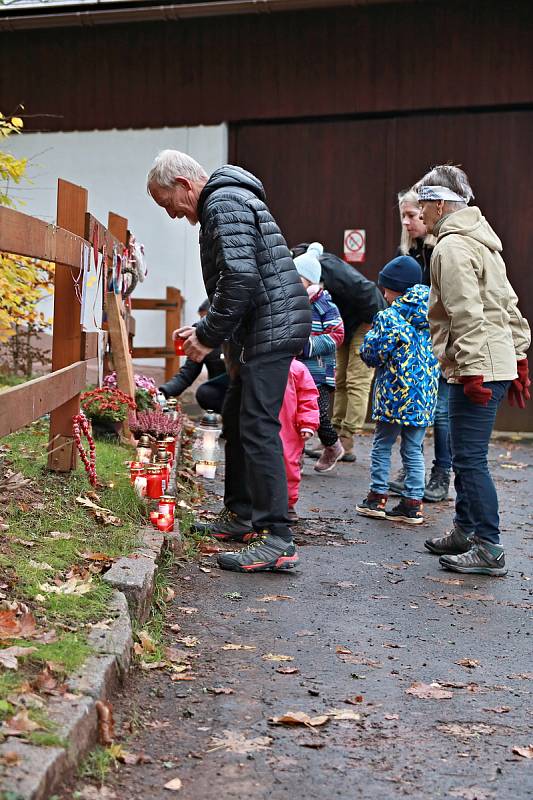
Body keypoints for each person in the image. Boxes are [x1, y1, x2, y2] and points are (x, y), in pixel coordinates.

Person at [147, 151, 311, 573]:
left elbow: (240, 278)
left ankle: (277, 536)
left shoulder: (222, 203)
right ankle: (240, 515)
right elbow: (237, 279)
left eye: (168, 204)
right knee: (237, 418)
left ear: (185, 184)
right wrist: (206, 330)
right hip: (262, 326)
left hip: (270, 328)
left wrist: (207, 336)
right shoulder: (228, 201)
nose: (171, 215)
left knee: (257, 425)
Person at [416, 165, 530, 575]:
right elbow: (507, 304)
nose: (420, 211)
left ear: (441, 204)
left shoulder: (451, 248)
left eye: (424, 203)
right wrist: (518, 358)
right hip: (490, 360)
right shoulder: (483, 242)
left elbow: (466, 313)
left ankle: (488, 545)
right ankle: (466, 530)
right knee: (467, 455)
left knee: (469, 458)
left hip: (475, 366)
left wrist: (474, 370)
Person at [356, 256, 439, 524]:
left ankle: (376, 498)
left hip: (394, 395)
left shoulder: (389, 317)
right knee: (413, 449)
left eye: (386, 287)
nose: (383, 292)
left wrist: (367, 343)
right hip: (423, 397)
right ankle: (413, 503)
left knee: (382, 444)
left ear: (396, 288)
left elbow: (372, 353)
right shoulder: (432, 314)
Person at [291, 243, 385, 461]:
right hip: (346, 324)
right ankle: (331, 437)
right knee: (340, 379)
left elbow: (366, 290)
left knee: (356, 379)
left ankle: (347, 438)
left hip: (367, 321)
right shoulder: (310, 276)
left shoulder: (330, 268)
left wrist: (374, 325)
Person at [389, 190, 452, 503]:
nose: (408, 221)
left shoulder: (443, 250)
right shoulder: (408, 254)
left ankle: (442, 474)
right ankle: (410, 469)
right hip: (415, 344)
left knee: (440, 410)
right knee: (407, 401)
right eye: (403, 216)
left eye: (413, 215)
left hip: (439, 341)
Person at [293, 243, 345, 472]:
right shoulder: (293, 303)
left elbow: (337, 334)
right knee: (296, 416)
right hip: (296, 371)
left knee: (319, 416)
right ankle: (296, 458)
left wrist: (309, 346)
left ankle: (333, 446)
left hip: (318, 372)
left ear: (311, 281)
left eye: (299, 280)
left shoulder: (324, 304)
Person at [159, 299, 229, 414]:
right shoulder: (199, 336)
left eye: (207, 319)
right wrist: (162, 392)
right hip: (219, 391)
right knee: (205, 393)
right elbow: (186, 374)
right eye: (202, 319)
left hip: (243, 384)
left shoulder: (235, 332)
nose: (204, 323)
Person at [279, 359, 319, 522]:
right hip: (265, 424)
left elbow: (308, 398)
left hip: (290, 429)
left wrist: (308, 424)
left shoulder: (297, 369)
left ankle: (288, 503)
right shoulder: (261, 362)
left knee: (289, 464)